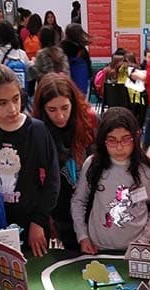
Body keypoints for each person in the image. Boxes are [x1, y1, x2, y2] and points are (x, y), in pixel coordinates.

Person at [0, 64, 59, 257]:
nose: (13, 109)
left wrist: (39, 221)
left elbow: (52, 181)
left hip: (32, 224)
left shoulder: (38, 131)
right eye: (2, 103)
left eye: (16, 99)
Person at [71, 107, 150, 252]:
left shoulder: (147, 170)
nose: (119, 147)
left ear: (135, 137)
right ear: (103, 140)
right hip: (98, 247)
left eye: (126, 139)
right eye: (112, 140)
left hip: (135, 249)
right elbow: (79, 201)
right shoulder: (93, 165)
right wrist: (83, 236)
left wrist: (144, 240)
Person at [32, 73, 97, 249]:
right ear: (43, 108)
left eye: (65, 108)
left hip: (91, 211)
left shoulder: (89, 123)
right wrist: (45, 218)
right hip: (58, 213)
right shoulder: (36, 132)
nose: (60, 116)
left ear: (73, 104)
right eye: (52, 110)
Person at [61, 23, 93, 96]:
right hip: (80, 82)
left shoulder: (61, 47)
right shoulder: (81, 50)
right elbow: (88, 66)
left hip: (64, 83)